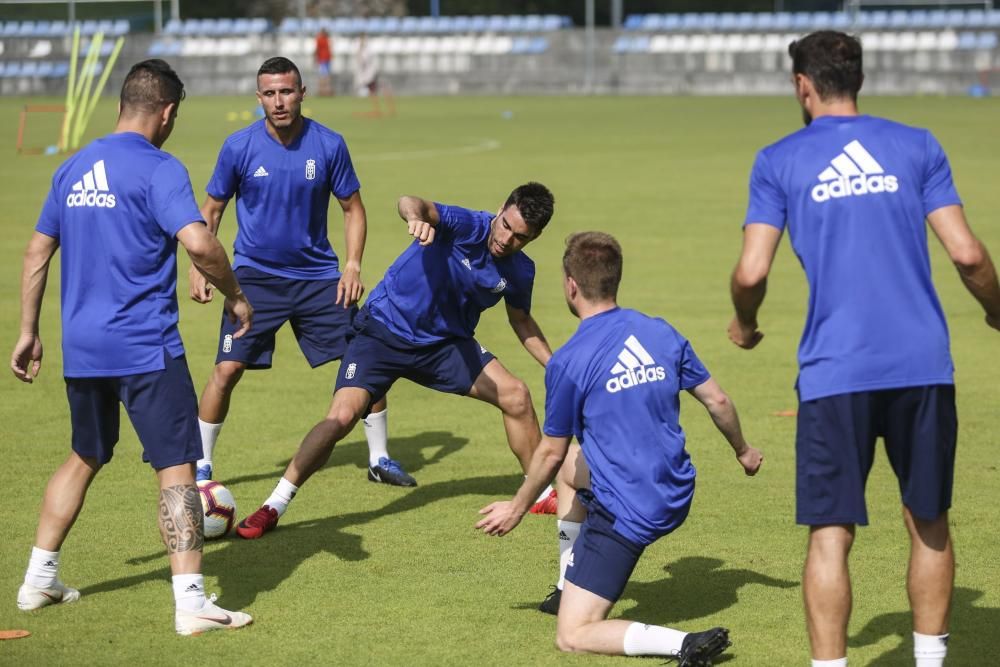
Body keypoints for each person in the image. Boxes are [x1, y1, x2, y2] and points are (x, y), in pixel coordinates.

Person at [728, 30, 1000, 667]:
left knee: (831, 534)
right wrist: (995, 310)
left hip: (834, 372)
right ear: (858, 79)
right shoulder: (916, 145)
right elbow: (967, 253)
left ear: (803, 85)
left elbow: (750, 272)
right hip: (923, 364)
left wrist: (745, 324)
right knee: (928, 519)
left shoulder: (778, 159)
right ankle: (930, 661)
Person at [11, 59, 254, 635]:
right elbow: (202, 243)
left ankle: (38, 579)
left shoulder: (71, 167)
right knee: (177, 466)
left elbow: (36, 253)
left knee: (85, 454)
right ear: (167, 112)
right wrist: (237, 296)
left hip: (83, 347)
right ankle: (191, 601)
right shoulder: (159, 167)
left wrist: (28, 331)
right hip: (146, 345)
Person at [477, 232, 763, 664]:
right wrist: (743, 451)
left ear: (571, 285)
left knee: (572, 635)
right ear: (615, 280)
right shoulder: (660, 331)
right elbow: (717, 401)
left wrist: (515, 509)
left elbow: (548, 450)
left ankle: (683, 643)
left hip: (630, 506)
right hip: (675, 484)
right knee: (572, 467)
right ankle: (565, 583)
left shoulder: (568, 362)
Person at [236, 182, 558, 539]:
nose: (506, 239)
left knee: (516, 395)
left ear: (535, 238)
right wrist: (416, 217)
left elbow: (521, 321)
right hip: (383, 333)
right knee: (340, 418)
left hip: (443, 346)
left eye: (520, 237)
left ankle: (541, 493)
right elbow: (411, 201)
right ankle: (273, 505)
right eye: (506, 226)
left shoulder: (519, 271)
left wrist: (555, 363)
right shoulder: (467, 225)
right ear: (501, 209)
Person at [189, 57, 412, 488]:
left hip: (318, 278)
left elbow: (353, 209)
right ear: (259, 98)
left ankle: (380, 458)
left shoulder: (329, 145)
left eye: (287, 91)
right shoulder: (239, 146)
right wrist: (201, 267)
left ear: (303, 93)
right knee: (227, 370)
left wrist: (351, 265)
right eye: (270, 94)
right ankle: (201, 465)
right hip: (254, 278)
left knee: (366, 358)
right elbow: (211, 210)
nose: (279, 101)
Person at [353, 34, 395, 117]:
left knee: (379, 88)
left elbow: (363, 61)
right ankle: (380, 109)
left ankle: (388, 109)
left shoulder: (367, 49)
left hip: (373, 73)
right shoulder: (365, 49)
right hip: (371, 73)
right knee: (374, 90)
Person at [315, 28, 333, 97]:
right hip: (325, 59)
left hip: (323, 60)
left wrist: (315, 58)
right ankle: (325, 91)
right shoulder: (326, 39)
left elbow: (317, 49)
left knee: (323, 76)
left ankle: (323, 91)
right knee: (326, 76)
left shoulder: (320, 39)